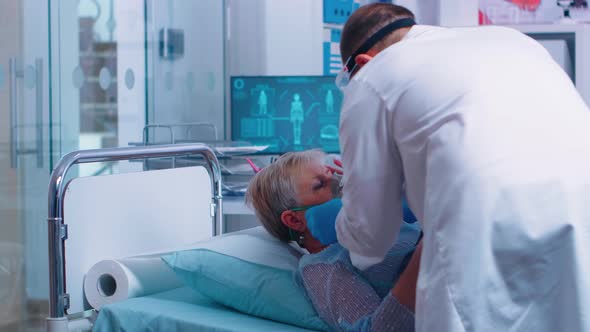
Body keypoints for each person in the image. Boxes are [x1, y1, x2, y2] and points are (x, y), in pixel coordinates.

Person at [332, 3, 590, 331]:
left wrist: (342, 214)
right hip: (581, 204)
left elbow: (370, 240)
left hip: (483, 225)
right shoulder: (511, 40)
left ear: (363, 62)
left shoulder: (370, 77)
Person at [245, 150, 422, 331]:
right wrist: (427, 254)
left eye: (336, 175)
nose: (340, 184)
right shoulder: (324, 266)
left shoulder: (379, 221)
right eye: (320, 184)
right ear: (295, 220)